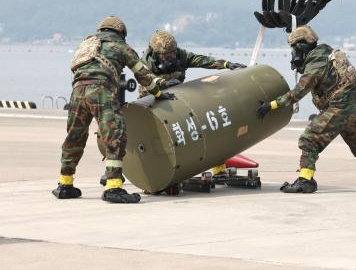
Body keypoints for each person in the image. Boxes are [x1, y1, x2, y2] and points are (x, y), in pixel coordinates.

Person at [54, 16, 174, 203]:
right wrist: (158, 94)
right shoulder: (121, 47)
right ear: (121, 33)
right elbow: (143, 74)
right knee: (115, 135)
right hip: (100, 91)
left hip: (77, 91)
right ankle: (114, 187)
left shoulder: (87, 45)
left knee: (74, 136)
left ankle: (64, 184)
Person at [256, 25, 356, 193]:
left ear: (301, 46)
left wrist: (272, 105)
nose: (294, 53)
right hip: (354, 104)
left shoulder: (316, 64)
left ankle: (305, 180)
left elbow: (298, 92)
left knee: (309, 139)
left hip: (339, 107)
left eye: (294, 49)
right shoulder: (327, 54)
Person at [139, 29, 246, 177]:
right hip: (152, 99)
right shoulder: (144, 63)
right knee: (151, 138)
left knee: (204, 127)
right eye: (165, 55)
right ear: (155, 54)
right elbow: (148, 78)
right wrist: (164, 83)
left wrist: (227, 64)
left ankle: (218, 169)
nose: (170, 58)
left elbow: (203, 61)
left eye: (172, 53)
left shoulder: (181, 56)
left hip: (175, 97)